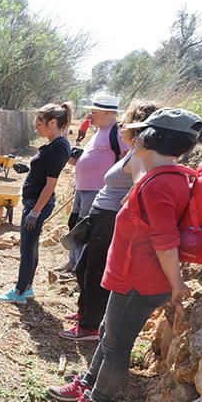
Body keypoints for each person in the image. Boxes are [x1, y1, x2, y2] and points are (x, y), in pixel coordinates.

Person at [49, 108, 202, 402]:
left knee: (117, 345)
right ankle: (90, 384)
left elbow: (164, 240)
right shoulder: (166, 178)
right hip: (131, 278)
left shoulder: (158, 185)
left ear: (149, 139)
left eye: (141, 133)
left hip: (138, 282)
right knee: (108, 334)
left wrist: (176, 284)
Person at [60, 102, 159, 341]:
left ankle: (89, 327)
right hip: (102, 216)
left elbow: (140, 185)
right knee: (84, 267)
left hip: (109, 219)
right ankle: (86, 313)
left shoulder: (139, 156)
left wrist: (126, 205)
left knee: (94, 271)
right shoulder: (134, 152)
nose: (122, 125)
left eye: (126, 121)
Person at [0, 102, 73, 304]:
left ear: (52, 122)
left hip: (37, 205)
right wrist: (28, 169)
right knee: (31, 247)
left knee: (27, 249)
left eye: (39, 122)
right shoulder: (53, 144)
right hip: (34, 202)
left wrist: (35, 211)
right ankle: (27, 287)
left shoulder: (59, 146)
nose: (35, 127)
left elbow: (50, 184)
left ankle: (19, 292)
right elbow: (43, 172)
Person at [63, 94, 126, 272]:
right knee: (75, 224)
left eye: (94, 112)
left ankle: (79, 268)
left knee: (85, 229)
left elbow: (128, 159)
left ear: (108, 112)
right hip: (83, 187)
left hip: (98, 190)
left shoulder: (118, 132)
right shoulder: (98, 131)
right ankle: (72, 263)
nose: (90, 115)